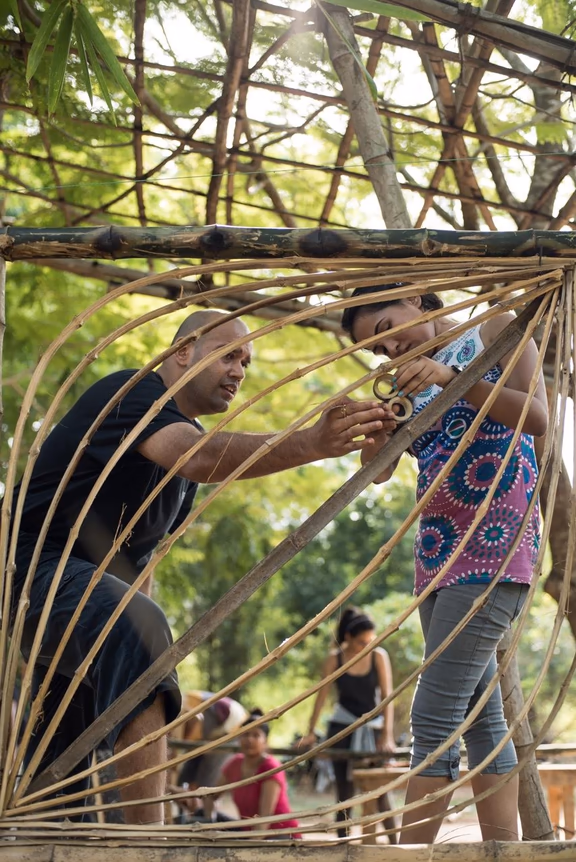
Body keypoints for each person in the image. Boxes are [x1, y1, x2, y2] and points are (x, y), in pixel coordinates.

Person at [11, 309, 396, 825]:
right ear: (181, 352)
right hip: (30, 570)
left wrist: (145, 653)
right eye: (229, 353)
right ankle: (149, 847)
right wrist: (309, 443)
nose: (240, 369)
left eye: (247, 361)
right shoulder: (133, 393)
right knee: (142, 630)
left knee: (58, 775)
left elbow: (138, 563)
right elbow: (194, 456)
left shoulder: (181, 465)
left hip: (84, 604)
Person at [341, 283, 547, 843]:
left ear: (414, 299)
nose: (390, 351)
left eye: (386, 330)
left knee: (432, 721)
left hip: (494, 550)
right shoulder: (409, 384)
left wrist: (449, 380)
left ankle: (407, 856)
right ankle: (507, 851)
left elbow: (538, 416)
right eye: (378, 352)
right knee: (481, 720)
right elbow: (378, 471)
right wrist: (375, 431)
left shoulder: (493, 327)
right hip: (437, 556)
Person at [301, 606, 397, 841]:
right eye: (361, 642)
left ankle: (397, 842)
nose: (366, 646)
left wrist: (387, 735)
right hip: (342, 729)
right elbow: (321, 697)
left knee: (380, 791)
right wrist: (311, 732)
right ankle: (342, 844)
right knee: (344, 793)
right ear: (348, 638)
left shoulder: (378, 656)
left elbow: (387, 698)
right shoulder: (335, 659)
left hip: (372, 730)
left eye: (370, 641)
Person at [204, 709, 301, 837]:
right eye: (246, 734)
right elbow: (211, 796)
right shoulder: (235, 763)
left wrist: (250, 848)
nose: (249, 739)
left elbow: (265, 818)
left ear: (265, 741)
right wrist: (208, 819)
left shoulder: (271, 768)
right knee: (199, 816)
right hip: (248, 832)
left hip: (278, 834)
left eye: (256, 735)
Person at [169, 691, 247, 822]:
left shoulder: (196, 712)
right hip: (209, 735)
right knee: (185, 776)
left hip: (230, 733)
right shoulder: (181, 706)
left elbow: (178, 749)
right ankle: (184, 815)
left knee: (205, 781)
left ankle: (204, 819)